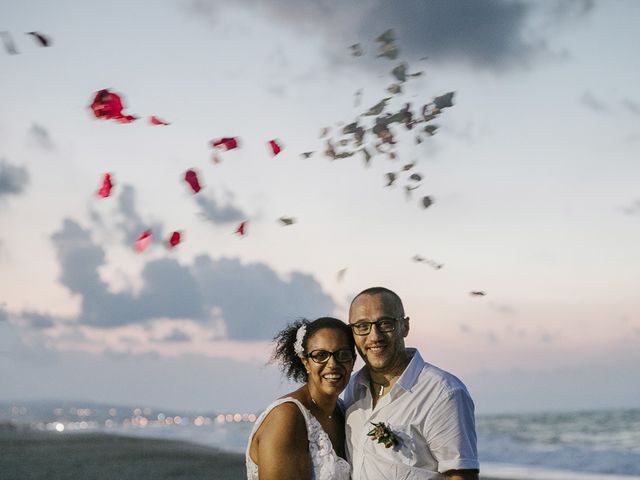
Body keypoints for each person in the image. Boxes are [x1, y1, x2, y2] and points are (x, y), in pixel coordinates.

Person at [344, 287, 480, 480]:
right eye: (362, 326)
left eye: (385, 323)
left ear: (405, 327)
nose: (375, 336)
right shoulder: (353, 388)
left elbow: (461, 475)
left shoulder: (443, 393)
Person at [246, 317, 355, 480]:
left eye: (343, 354)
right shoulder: (287, 416)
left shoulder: (343, 410)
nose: (332, 363)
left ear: (353, 361)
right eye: (320, 355)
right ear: (306, 363)